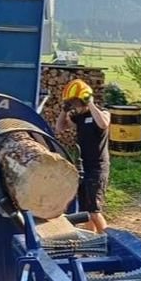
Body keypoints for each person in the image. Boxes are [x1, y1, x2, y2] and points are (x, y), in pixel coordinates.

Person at [55, 78, 111, 234]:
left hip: (97, 168)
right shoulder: (79, 118)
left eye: (75, 102)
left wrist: (91, 104)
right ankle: (92, 242)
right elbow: (59, 128)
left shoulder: (102, 113)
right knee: (86, 212)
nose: (74, 106)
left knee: (94, 210)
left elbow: (103, 124)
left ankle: (107, 240)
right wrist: (64, 111)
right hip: (83, 167)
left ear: (83, 99)